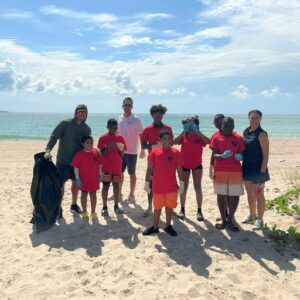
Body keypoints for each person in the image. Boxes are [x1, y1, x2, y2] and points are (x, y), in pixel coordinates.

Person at [44, 104, 91, 215]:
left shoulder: (86, 129)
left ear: (86, 114)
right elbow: (54, 136)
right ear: (76, 112)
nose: (82, 114)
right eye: (80, 111)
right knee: (60, 185)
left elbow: (87, 145)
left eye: (84, 112)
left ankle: (74, 205)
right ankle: (59, 208)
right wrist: (48, 149)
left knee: (76, 184)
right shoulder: (65, 124)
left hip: (77, 163)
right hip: (63, 160)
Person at [143, 130, 184, 236]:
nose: (166, 141)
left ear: (171, 140)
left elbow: (179, 170)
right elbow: (150, 168)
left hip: (171, 186)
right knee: (157, 207)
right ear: (160, 140)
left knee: (169, 206)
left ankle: (168, 226)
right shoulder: (155, 152)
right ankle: (155, 226)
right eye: (164, 139)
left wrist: (182, 184)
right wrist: (147, 183)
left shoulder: (176, 152)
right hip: (158, 186)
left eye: (168, 138)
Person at [210, 117, 245, 232]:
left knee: (234, 195)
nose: (228, 128)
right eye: (225, 125)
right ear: (221, 126)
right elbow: (214, 155)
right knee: (221, 195)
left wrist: (240, 156)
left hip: (235, 170)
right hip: (220, 170)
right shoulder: (216, 138)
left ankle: (230, 219)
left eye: (230, 125)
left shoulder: (239, 138)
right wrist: (221, 156)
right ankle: (224, 220)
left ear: (234, 126)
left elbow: (242, 153)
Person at [173, 116, 210, 221]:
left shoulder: (199, 137)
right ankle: (182, 210)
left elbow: (208, 141)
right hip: (184, 165)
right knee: (183, 188)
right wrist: (183, 131)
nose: (190, 127)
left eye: (192, 125)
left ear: (196, 125)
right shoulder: (184, 136)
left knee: (197, 187)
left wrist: (198, 132)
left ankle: (199, 211)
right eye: (187, 125)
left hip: (197, 165)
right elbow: (173, 142)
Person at [140, 104, 174, 217]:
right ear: (152, 115)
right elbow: (143, 144)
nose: (158, 115)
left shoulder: (168, 128)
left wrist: (164, 144)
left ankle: (169, 206)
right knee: (150, 183)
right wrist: (152, 146)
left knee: (168, 184)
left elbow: (172, 143)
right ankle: (150, 206)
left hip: (167, 161)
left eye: (160, 113)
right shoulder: (147, 129)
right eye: (156, 113)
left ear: (163, 115)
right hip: (153, 161)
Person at [242, 110, 270, 229]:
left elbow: (265, 155)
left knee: (259, 194)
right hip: (246, 167)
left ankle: (260, 219)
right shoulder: (246, 131)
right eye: (252, 118)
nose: (254, 120)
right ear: (248, 118)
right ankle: (252, 215)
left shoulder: (262, 134)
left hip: (258, 169)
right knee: (250, 194)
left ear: (260, 119)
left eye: (257, 118)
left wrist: (262, 172)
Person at [97, 119, 127, 216]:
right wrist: (110, 146)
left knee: (116, 186)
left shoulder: (120, 138)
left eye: (115, 128)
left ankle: (116, 206)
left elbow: (122, 154)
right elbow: (103, 153)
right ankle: (104, 207)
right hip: (106, 167)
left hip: (117, 166)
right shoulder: (103, 138)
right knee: (105, 186)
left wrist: (121, 150)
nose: (114, 129)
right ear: (108, 127)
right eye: (111, 128)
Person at [118, 97, 145, 202]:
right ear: (122, 106)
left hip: (132, 151)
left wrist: (142, 149)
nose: (127, 107)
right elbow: (117, 133)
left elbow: (141, 135)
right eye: (125, 105)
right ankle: (119, 194)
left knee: (131, 173)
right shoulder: (119, 118)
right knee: (119, 173)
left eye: (129, 105)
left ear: (132, 107)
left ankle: (131, 195)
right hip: (120, 151)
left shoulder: (136, 119)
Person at [71, 135, 103, 220]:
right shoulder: (79, 154)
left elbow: (100, 164)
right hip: (83, 179)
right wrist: (77, 178)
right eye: (87, 143)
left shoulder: (96, 152)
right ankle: (84, 211)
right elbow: (76, 167)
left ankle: (93, 212)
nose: (89, 144)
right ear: (83, 144)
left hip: (94, 178)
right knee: (84, 194)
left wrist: (100, 175)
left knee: (93, 194)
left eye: (91, 142)